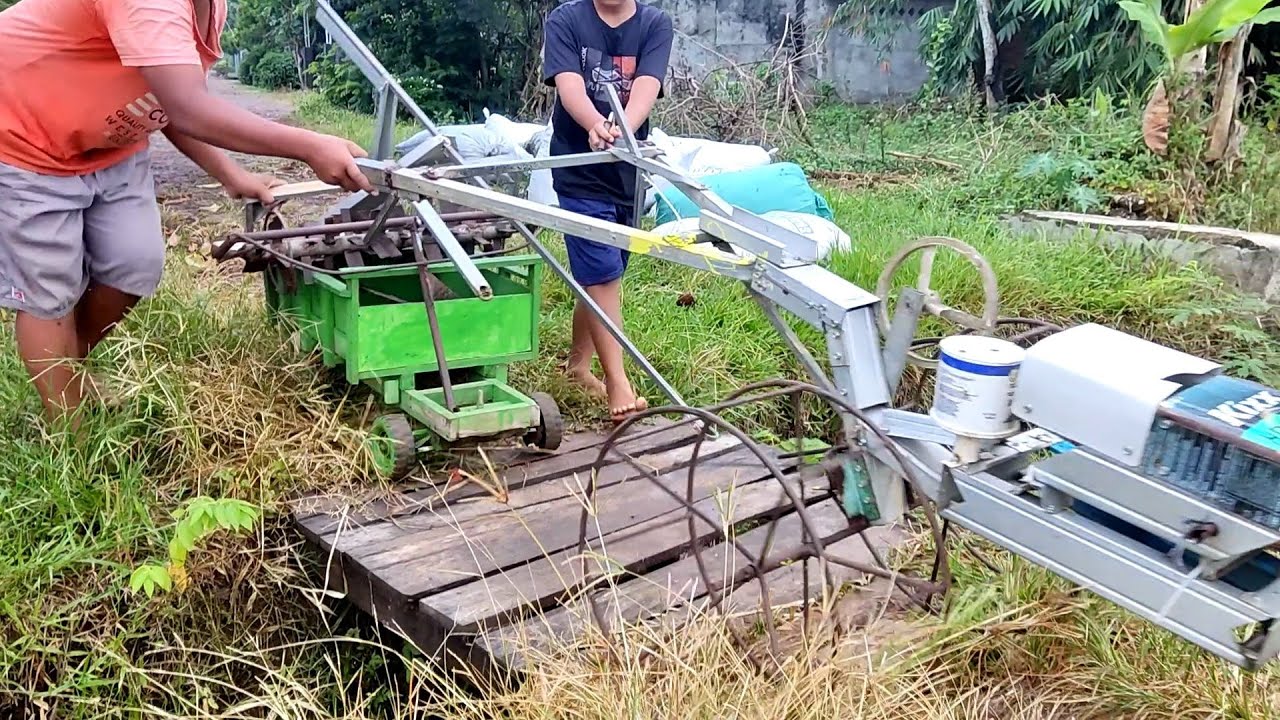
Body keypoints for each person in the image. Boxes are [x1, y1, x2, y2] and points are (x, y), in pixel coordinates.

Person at [0, 0, 374, 424]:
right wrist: (310, 146)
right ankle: (69, 435)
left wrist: (231, 174)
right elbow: (185, 107)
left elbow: (168, 95)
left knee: (135, 264)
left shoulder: (211, 7)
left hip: (110, 146)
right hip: (23, 138)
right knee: (48, 293)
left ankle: (65, 371)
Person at [542, 0, 673, 423]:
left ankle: (578, 366)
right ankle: (617, 381)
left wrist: (622, 130)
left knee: (606, 269)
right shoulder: (567, 20)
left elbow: (646, 88)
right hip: (577, 168)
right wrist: (594, 124)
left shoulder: (654, 24)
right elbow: (570, 87)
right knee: (602, 272)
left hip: (626, 173)